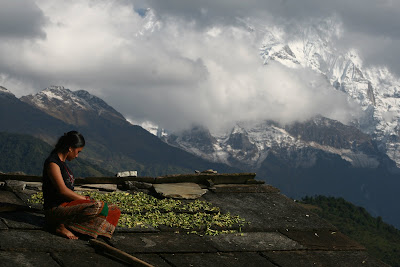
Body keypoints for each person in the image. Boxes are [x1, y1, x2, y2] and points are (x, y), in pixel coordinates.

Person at [42, 131, 120, 239]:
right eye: (77, 151)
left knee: (113, 209)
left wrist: (85, 200)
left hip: (68, 206)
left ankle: (83, 229)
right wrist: (85, 199)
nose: (77, 156)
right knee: (97, 207)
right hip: (55, 209)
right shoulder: (53, 163)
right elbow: (62, 191)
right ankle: (59, 226)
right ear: (70, 148)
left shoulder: (63, 165)